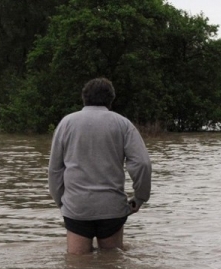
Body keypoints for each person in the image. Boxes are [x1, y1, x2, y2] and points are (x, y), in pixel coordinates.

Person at [48, 77, 152, 254]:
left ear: (84, 97)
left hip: (77, 207)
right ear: (111, 99)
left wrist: (61, 201)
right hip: (112, 208)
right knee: (112, 268)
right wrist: (140, 197)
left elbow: (55, 169)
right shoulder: (123, 124)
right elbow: (142, 163)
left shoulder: (66, 123)